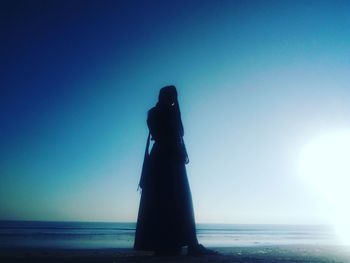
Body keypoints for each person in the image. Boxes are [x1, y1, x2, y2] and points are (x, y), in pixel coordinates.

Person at [134, 85, 216, 256]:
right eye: (170, 96)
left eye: (174, 96)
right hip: (163, 159)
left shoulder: (172, 113)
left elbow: (180, 133)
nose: (173, 100)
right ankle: (164, 243)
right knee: (164, 200)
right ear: (163, 96)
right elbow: (160, 132)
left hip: (174, 160)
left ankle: (179, 242)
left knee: (179, 200)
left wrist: (176, 114)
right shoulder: (154, 113)